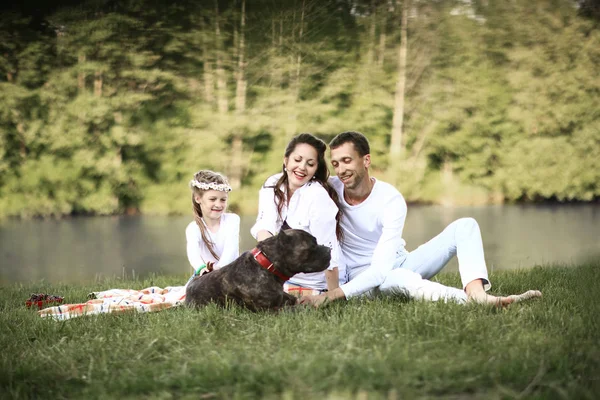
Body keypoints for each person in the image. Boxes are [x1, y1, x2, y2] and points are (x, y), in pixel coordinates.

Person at [300, 131, 542, 307]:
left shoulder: (390, 199)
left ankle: (477, 293)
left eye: (347, 160)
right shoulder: (328, 190)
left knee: (465, 225)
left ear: (366, 160)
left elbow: (384, 266)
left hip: (397, 261)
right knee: (404, 280)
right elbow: (294, 178)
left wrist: (329, 296)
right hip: (363, 276)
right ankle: (476, 303)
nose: (341, 169)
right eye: (335, 164)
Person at [251, 133, 345, 296]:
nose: (302, 167)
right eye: (297, 160)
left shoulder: (317, 196)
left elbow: (329, 251)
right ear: (286, 160)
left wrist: (333, 295)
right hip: (281, 273)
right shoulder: (272, 184)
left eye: (310, 164)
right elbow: (264, 228)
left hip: (314, 280)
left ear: (316, 169)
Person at [186, 170, 240, 283]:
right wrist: (202, 268)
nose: (218, 204)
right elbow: (193, 254)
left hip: (231, 274)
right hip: (206, 276)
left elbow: (230, 250)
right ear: (198, 199)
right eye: (212, 199)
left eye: (223, 200)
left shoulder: (232, 220)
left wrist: (218, 269)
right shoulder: (194, 228)